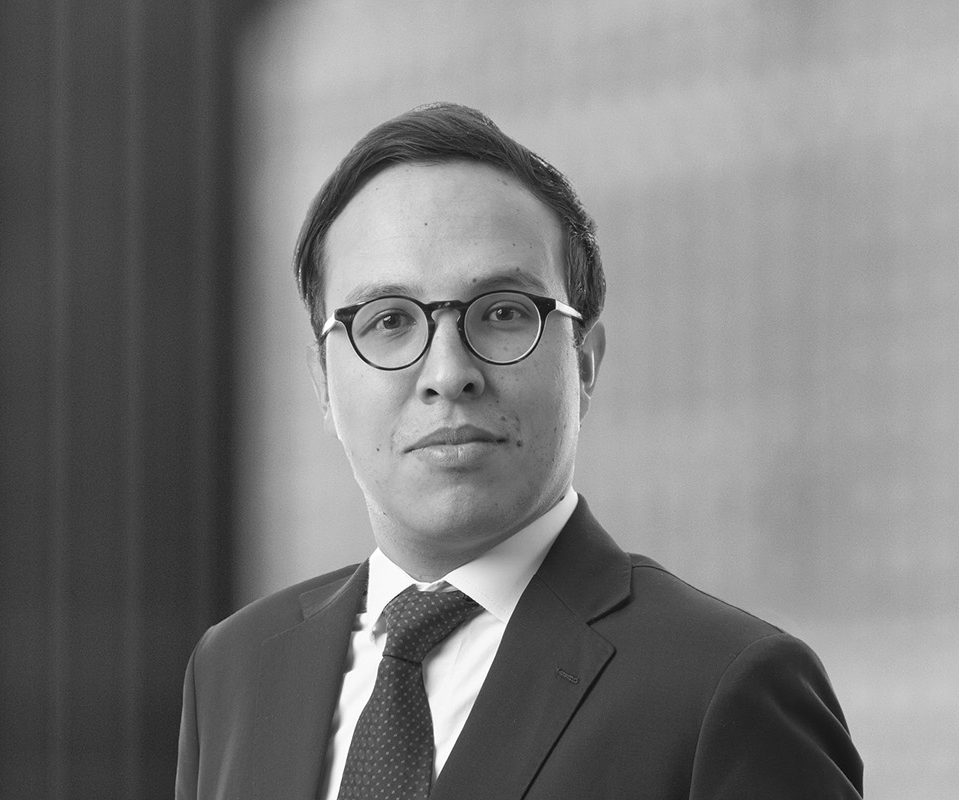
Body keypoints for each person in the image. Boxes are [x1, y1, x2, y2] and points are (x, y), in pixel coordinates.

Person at [175, 102, 864, 799]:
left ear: (584, 362)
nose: (449, 374)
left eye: (504, 312)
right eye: (388, 320)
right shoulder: (235, 668)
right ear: (324, 382)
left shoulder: (723, 687)